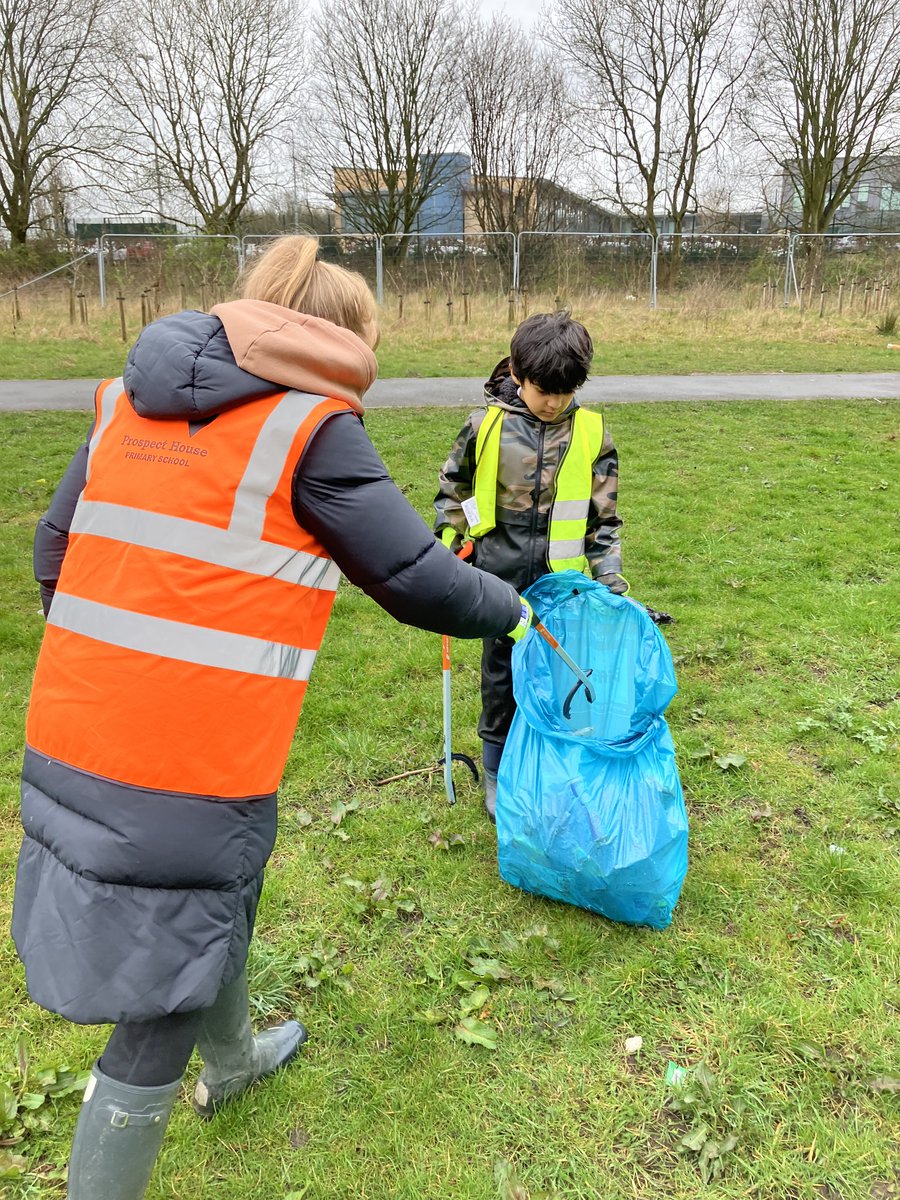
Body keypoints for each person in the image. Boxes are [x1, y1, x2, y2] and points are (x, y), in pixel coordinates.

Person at [11, 235, 533, 1200]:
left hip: (73, 723)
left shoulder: (124, 401)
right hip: (185, 759)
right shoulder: (310, 428)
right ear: (340, 336)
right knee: (163, 986)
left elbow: (54, 551)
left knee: (224, 891)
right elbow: (416, 577)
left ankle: (239, 1056)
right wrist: (516, 608)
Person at [434, 311, 627, 821]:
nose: (554, 402)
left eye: (566, 392)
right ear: (518, 375)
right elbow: (454, 491)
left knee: (559, 674)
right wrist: (453, 542)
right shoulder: (485, 426)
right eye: (544, 390)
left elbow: (603, 520)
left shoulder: (592, 434)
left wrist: (610, 577)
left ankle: (553, 760)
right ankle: (497, 766)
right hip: (497, 579)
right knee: (501, 677)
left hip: (563, 586)